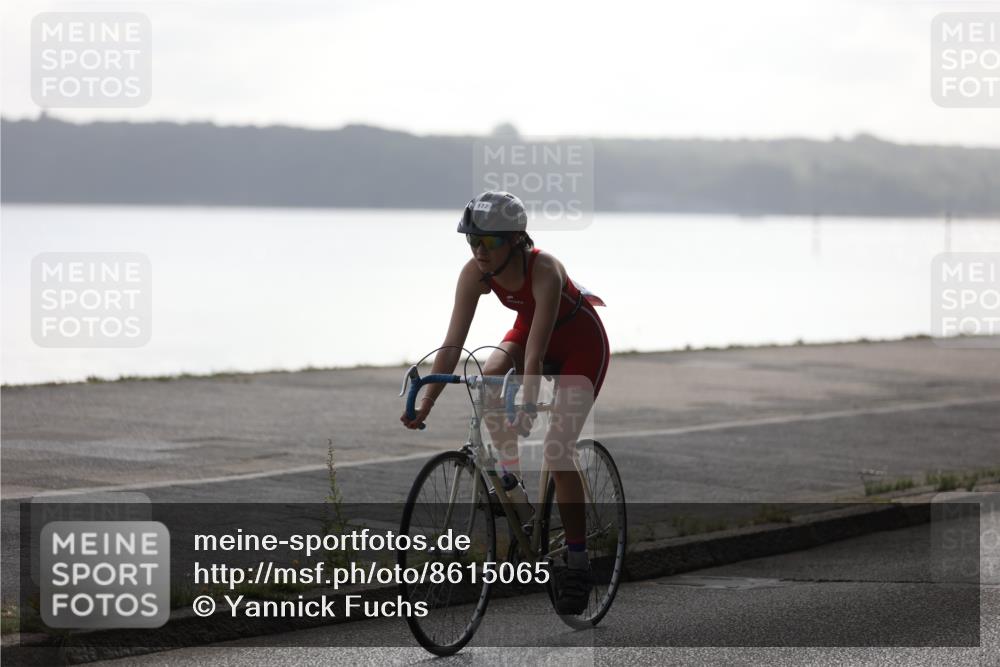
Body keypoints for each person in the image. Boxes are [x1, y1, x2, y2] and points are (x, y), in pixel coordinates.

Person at [400, 190, 610, 616]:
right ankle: (511, 486)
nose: (479, 251)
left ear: (515, 239)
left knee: (558, 449)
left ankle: (577, 561)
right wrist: (429, 399)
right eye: (472, 241)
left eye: (489, 242)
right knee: (486, 379)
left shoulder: (545, 269)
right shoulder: (474, 273)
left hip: (579, 346)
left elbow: (535, 355)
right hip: (528, 331)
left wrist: (528, 401)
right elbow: (453, 342)